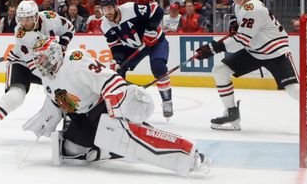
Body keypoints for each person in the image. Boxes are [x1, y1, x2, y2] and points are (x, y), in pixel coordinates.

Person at [24, 38, 210, 176]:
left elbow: (108, 79)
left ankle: (187, 154)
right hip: (81, 117)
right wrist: (45, 120)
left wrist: (116, 107)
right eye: (37, 59)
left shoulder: (74, 59)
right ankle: (104, 149)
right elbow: (58, 103)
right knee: (71, 153)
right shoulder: (47, 78)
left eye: (42, 58)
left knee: (128, 136)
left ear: (54, 53)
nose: (39, 63)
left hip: (101, 106)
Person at [193, 0, 298, 131]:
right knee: (220, 71)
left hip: (275, 52)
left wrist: (213, 48)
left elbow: (240, 40)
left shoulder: (253, 8)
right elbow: (244, 31)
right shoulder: (239, 7)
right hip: (254, 51)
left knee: (294, 89)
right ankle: (232, 113)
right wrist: (236, 25)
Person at [0, 0, 74, 147]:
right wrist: (53, 81)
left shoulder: (51, 18)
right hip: (21, 63)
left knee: (66, 89)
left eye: (28, 18)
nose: (24, 22)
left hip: (45, 62)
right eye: (21, 19)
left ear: (36, 16)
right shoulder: (21, 34)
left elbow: (70, 28)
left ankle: (72, 126)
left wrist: (63, 45)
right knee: (15, 96)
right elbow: (37, 69)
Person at [99, 0, 174, 119]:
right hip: (134, 48)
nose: (108, 13)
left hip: (156, 42)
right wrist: (117, 60)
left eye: (110, 8)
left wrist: (151, 30)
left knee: (158, 67)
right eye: (104, 10)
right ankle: (121, 104)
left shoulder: (130, 9)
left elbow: (157, 10)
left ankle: (167, 100)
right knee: (118, 71)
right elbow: (116, 46)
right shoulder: (105, 25)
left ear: (116, 6)